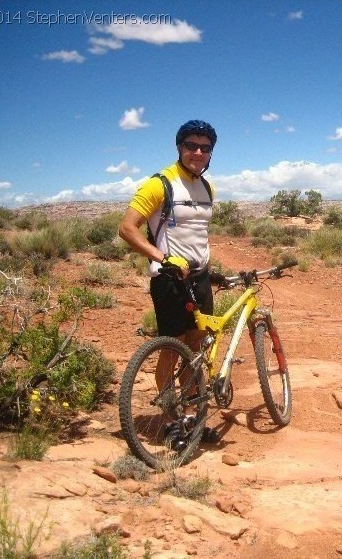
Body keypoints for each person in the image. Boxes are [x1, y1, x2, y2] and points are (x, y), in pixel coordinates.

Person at [119, 119, 221, 450]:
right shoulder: (159, 184)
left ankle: (192, 417)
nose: (197, 152)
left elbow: (197, 234)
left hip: (200, 278)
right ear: (179, 148)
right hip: (169, 279)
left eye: (204, 148)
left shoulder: (208, 188)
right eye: (191, 145)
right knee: (171, 349)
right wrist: (162, 258)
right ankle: (169, 422)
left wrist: (208, 267)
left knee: (197, 348)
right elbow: (128, 229)